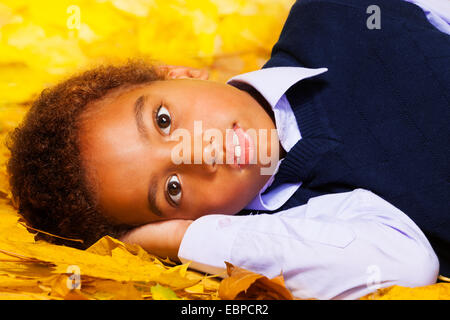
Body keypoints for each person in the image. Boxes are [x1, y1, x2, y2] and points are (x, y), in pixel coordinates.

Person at [6, 0, 449, 299]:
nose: (200, 153)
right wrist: (187, 240)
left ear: (178, 74)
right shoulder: (306, 224)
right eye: (173, 189)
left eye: (163, 121)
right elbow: (410, 268)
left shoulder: (329, 13)